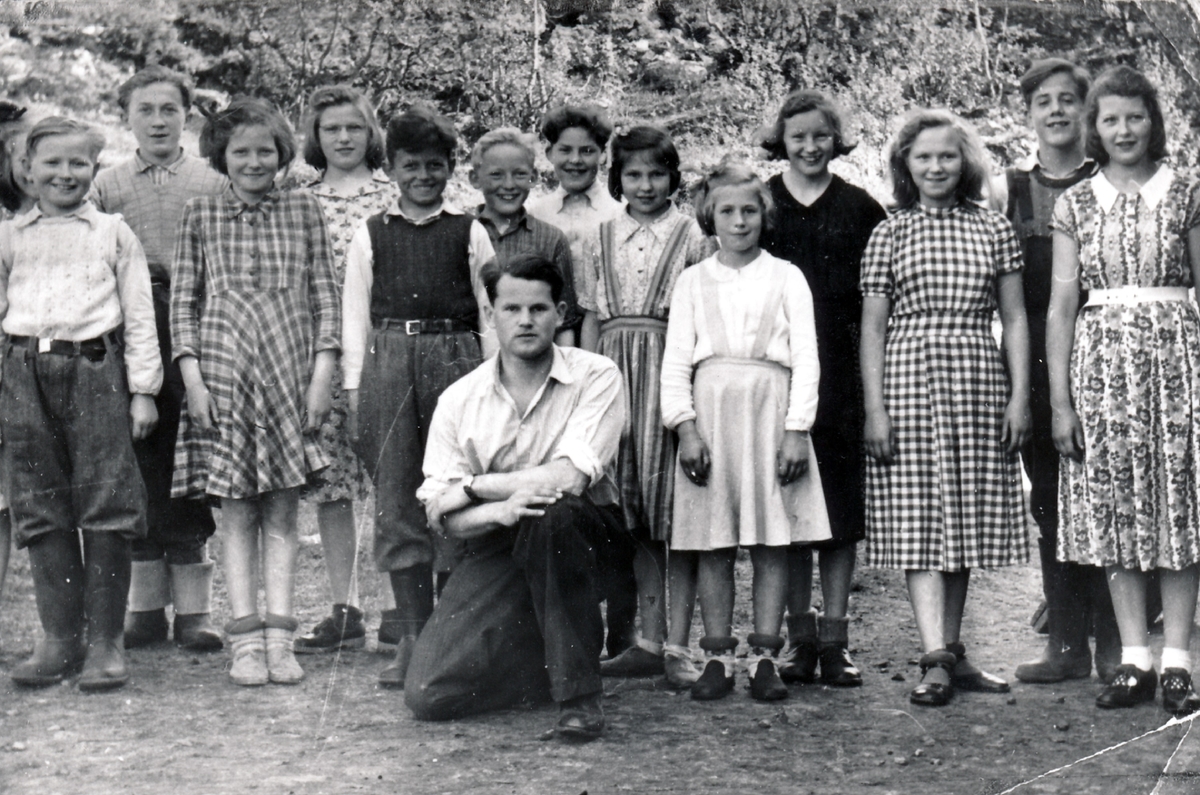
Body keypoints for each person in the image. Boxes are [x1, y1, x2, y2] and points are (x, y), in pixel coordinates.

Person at [404, 252, 624, 740]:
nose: (526, 320)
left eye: (539, 309)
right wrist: (498, 511)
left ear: (561, 313)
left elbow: (569, 479)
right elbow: (444, 519)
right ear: (491, 314)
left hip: (584, 535)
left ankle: (579, 698)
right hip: (497, 540)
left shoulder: (597, 375)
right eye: (511, 309)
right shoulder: (459, 399)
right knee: (429, 695)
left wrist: (476, 488)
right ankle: (540, 664)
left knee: (552, 516)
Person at [860, 109, 1030, 707]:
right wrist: (875, 409)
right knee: (920, 519)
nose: (936, 166)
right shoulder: (889, 232)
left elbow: (1013, 317)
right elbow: (873, 329)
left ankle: (951, 655)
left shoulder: (992, 228)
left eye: (948, 156)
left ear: (967, 163)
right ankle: (932, 657)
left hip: (976, 376)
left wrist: (1018, 395)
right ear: (906, 165)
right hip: (908, 375)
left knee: (960, 518)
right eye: (923, 156)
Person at [1046, 66, 1200, 716]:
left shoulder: (1187, 190)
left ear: (1152, 120)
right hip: (1101, 369)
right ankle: (1133, 659)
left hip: (1176, 365)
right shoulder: (1076, 202)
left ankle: (1178, 662)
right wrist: (1060, 401)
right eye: (1110, 118)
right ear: (1095, 127)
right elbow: (1059, 305)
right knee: (1118, 511)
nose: (1123, 129)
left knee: (1178, 511)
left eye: (1134, 116)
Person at [171, 98, 339, 686]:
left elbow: (325, 295)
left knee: (283, 515)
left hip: (288, 378)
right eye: (240, 151)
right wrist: (192, 379)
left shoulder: (304, 210)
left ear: (283, 152)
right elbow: (184, 303)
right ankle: (244, 638)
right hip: (223, 379)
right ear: (221, 156)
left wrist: (322, 373)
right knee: (237, 515)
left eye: (264, 150)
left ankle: (279, 637)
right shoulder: (199, 214)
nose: (253, 161)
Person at [3, 116, 162, 690]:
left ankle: (104, 643)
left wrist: (143, 391)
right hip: (23, 374)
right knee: (39, 504)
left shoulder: (112, 233)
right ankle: (59, 640)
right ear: (27, 169)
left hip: (96, 372)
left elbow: (140, 314)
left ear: (93, 169)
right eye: (51, 163)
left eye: (78, 163)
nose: (64, 174)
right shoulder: (10, 236)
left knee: (105, 504)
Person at [661, 161, 829, 701]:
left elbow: (806, 356)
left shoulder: (786, 276)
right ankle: (716, 657)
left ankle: (763, 658)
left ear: (765, 215)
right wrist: (685, 428)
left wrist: (796, 429)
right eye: (727, 211)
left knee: (770, 539)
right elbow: (675, 363)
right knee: (713, 541)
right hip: (710, 416)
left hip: (769, 412)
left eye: (749, 210)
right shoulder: (691, 280)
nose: (739, 221)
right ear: (709, 216)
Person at [341, 106, 495, 687]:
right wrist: (358, 392)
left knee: (453, 488)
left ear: (450, 168)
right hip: (388, 359)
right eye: (411, 165)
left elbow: (491, 313)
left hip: (456, 358)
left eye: (435, 165)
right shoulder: (372, 232)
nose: (424, 176)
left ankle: (446, 636)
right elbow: (355, 315)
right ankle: (410, 633)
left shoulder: (469, 230)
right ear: (392, 168)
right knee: (398, 493)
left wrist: (495, 377)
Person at [91, 66, 228, 652]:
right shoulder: (108, 185)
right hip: (132, 333)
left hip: (199, 329)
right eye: (144, 109)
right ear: (127, 117)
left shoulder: (211, 178)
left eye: (168, 109)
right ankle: (144, 609)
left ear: (186, 114)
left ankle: (194, 613)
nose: (157, 120)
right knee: (141, 461)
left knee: (192, 463)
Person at [758, 89, 887, 688]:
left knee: (838, 511)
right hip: (778, 374)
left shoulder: (862, 208)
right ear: (780, 140)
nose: (809, 146)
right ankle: (799, 640)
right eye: (797, 136)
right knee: (786, 512)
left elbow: (879, 302)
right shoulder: (763, 204)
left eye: (820, 135)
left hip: (840, 370)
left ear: (837, 140)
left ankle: (835, 641)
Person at [580, 126, 714, 686]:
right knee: (626, 506)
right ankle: (639, 638)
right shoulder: (597, 237)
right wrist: (584, 385)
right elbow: (589, 315)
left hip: (667, 365)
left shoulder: (691, 236)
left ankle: (672, 642)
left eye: (657, 174)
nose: (645, 185)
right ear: (617, 179)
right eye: (633, 174)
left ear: (674, 178)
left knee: (669, 509)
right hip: (612, 368)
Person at [1001, 60, 1121, 687]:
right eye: (1043, 101)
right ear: (1028, 115)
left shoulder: (1110, 180)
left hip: (1104, 351)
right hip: (1038, 361)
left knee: (1106, 495)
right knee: (1049, 497)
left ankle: (1114, 642)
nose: (1056, 111)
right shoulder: (1010, 191)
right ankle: (1066, 643)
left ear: (1086, 110)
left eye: (1068, 100)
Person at [293, 85, 399, 655]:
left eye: (353, 128)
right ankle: (345, 606)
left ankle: (395, 606)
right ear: (316, 136)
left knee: (389, 479)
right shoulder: (301, 199)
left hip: (381, 350)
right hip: (321, 358)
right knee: (332, 484)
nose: (342, 138)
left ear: (370, 133)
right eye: (331, 129)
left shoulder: (393, 194)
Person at [469, 126, 579, 347]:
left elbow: (565, 324)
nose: (509, 185)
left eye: (520, 174)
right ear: (475, 178)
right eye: (496, 175)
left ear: (534, 178)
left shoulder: (551, 239)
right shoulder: (462, 234)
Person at [528, 104, 623, 340]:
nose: (575, 160)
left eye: (587, 151)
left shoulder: (619, 215)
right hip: (550, 334)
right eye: (565, 150)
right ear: (550, 153)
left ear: (603, 154)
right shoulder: (536, 214)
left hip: (606, 333)